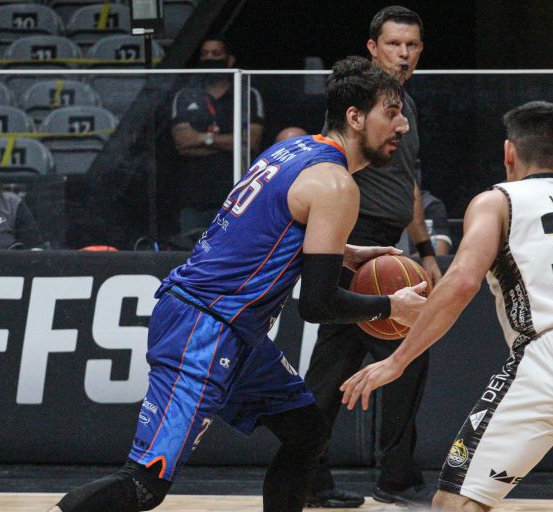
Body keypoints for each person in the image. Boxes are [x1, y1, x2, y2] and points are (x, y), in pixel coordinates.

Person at [49, 56, 428, 512]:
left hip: (234, 327)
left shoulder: (291, 151)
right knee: (145, 484)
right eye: (392, 112)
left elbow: (264, 229)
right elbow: (318, 304)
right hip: (203, 326)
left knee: (308, 433)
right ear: (355, 117)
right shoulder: (335, 185)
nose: (403, 125)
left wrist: (344, 252)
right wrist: (391, 306)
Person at [340, 101, 553, 511]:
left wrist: (397, 360)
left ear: (509, 152)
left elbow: (462, 281)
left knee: (455, 501)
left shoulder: (498, 200)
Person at [304, 6, 441, 508]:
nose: (403, 54)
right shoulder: (358, 103)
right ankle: (391, 477)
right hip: (353, 239)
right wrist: (335, 241)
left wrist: (424, 248)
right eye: (393, 44)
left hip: (388, 244)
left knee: (342, 364)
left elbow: (408, 184)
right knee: (398, 352)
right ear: (372, 48)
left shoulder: (406, 107)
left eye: (412, 45)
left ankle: (317, 474)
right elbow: (330, 164)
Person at [169, 36, 266, 241]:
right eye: (205, 54)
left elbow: (251, 142)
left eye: (216, 54)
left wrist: (202, 138)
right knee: (190, 253)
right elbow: (183, 144)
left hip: (237, 198)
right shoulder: (185, 96)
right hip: (194, 199)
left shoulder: (247, 94)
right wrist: (231, 142)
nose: (210, 58)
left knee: (237, 251)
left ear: (229, 60)